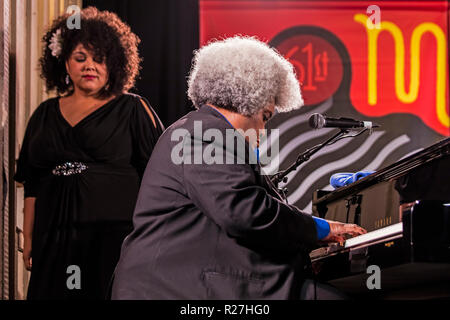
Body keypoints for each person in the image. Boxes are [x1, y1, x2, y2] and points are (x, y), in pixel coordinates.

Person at [111, 36, 365, 300]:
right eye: (265, 117)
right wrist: (319, 229)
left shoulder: (200, 130)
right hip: (177, 290)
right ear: (247, 98)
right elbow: (245, 212)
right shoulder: (204, 133)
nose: (264, 130)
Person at [14, 7, 164, 299]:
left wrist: (153, 238)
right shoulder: (44, 114)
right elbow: (32, 183)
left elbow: (159, 178)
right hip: (54, 236)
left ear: (115, 63)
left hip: (115, 237)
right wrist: (30, 237)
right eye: (80, 58)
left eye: (99, 58)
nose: (89, 66)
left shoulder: (133, 108)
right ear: (64, 63)